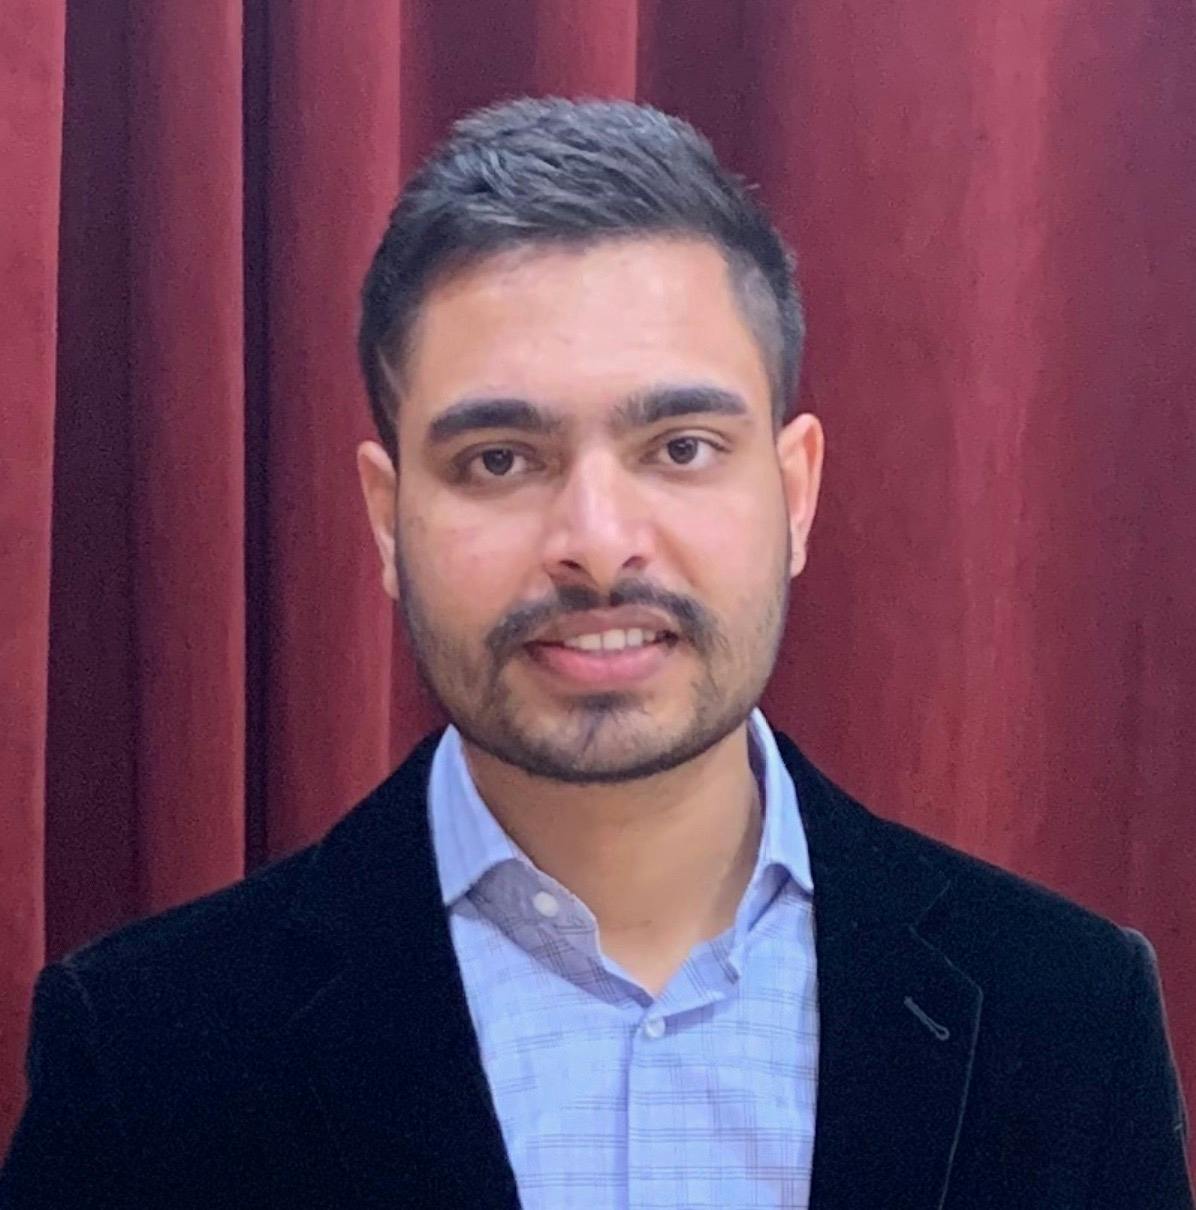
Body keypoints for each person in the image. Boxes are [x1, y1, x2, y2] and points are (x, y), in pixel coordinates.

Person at [1, 97, 1190, 1210]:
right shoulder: (144, 1051)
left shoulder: (1067, 1018)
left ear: (794, 494)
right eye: (500, 460)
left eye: (678, 447)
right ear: (386, 519)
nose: (596, 545)